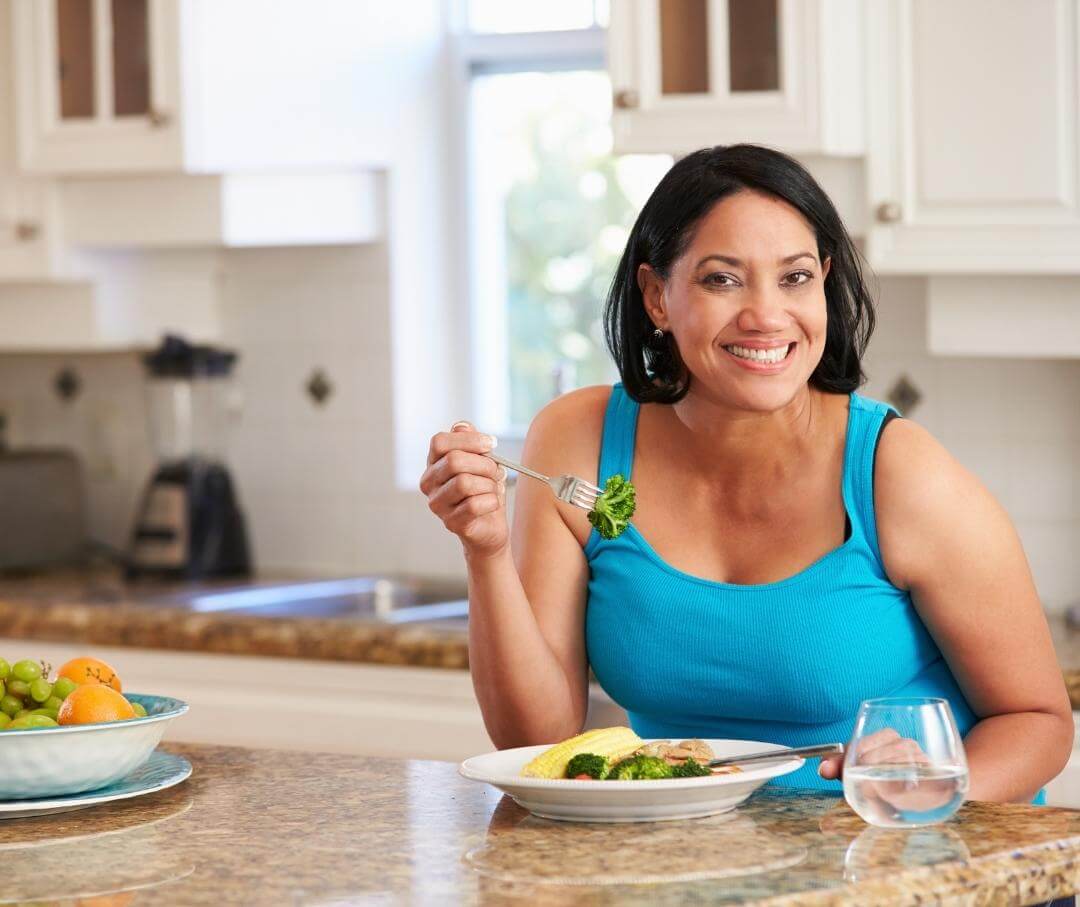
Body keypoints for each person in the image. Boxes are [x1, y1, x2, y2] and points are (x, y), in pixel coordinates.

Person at [420, 144, 1072, 802]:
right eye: (722, 279)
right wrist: (486, 548)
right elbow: (537, 736)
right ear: (656, 296)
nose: (765, 315)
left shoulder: (894, 472)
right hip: (696, 866)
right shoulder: (577, 441)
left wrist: (930, 789)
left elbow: (1039, 722)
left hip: (909, 866)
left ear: (823, 280)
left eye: (794, 278)